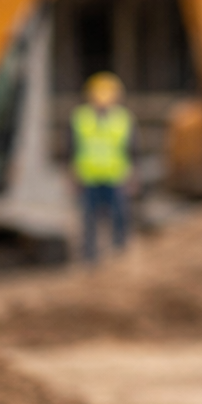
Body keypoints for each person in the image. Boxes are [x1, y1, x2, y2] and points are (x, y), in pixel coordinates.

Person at [71, 71, 135, 262]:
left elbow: (132, 150)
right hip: (88, 177)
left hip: (115, 177)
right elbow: (71, 148)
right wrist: (72, 174)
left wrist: (133, 176)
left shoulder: (123, 119)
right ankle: (89, 259)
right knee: (89, 221)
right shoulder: (81, 118)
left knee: (119, 218)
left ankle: (120, 255)